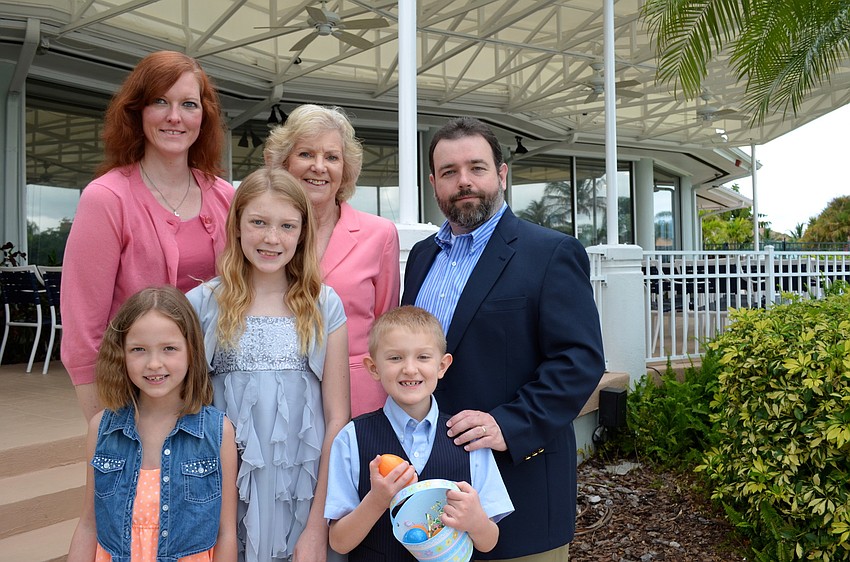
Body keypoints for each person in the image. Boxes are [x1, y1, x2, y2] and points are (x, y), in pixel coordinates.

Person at [401, 117, 605, 561]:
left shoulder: (550, 253)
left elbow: (579, 361)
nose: (464, 182)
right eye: (450, 172)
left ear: (502, 174)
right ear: (434, 182)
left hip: (520, 493)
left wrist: (507, 425)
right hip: (432, 500)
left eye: (477, 167)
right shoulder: (421, 258)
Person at [187, 167, 350, 562]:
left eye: (286, 226)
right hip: (222, 494)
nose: (271, 238)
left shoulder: (325, 306)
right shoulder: (202, 303)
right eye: (258, 222)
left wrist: (317, 526)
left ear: (302, 232)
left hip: (302, 492)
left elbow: (337, 419)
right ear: (238, 226)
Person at [61, 50, 234, 422]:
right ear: (137, 111)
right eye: (160, 101)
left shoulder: (225, 197)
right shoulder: (107, 199)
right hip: (135, 399)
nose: (175, 117)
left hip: (216, 397)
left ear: (203, 117)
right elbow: (82, 334)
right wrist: (104, 427)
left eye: (188, 104)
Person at [324, 306, 513, 560]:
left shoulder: (467, 439)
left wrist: (476, 521)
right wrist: (377, 500)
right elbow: (339, 542)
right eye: (395, 358)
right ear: (373, 367)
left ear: (442, 365)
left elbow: (489, 542)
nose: (410, 369)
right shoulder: (351, 439)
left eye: (423, 357)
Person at [67, 286, 238, 562]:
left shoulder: (218, 433)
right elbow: (88, 524)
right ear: (121, 354)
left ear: (191, 350)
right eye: (139, 350)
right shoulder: (102, 429)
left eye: (169, 348)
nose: (154, 363)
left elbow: (226, 533)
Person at [264, 104, 400, 418]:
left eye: (332, 157)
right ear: (283, 162)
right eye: (306, 154)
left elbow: (385, 327)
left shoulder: (380, 235)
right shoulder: (264, 237)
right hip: (280, 399)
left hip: (361, 401)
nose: (319, 167)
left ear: (345, 169)